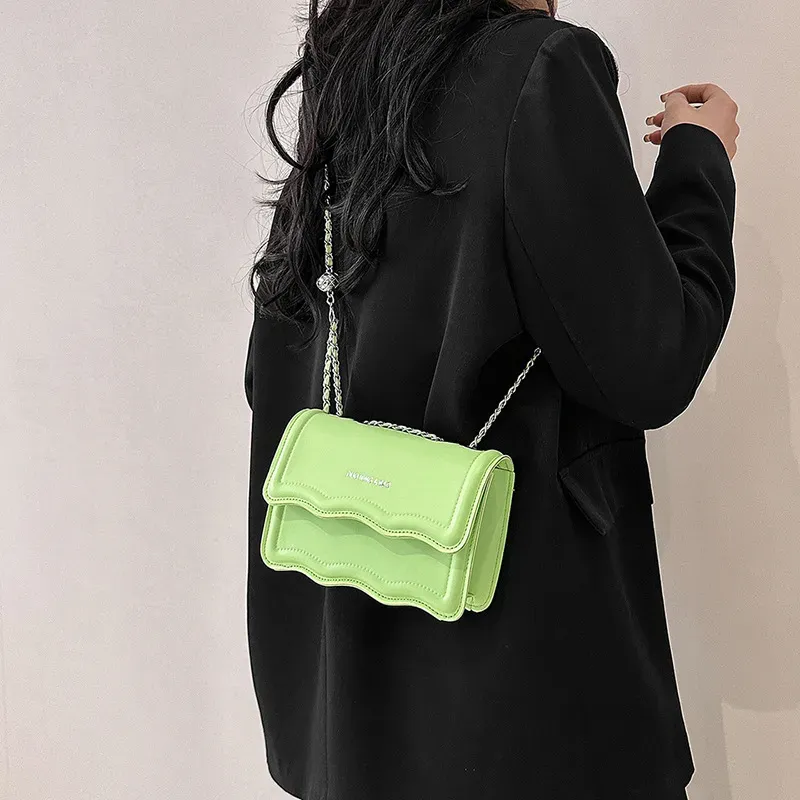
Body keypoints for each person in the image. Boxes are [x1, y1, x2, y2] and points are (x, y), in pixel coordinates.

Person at [243, 1, 739, 798]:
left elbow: (274, 357)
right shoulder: (540, 67)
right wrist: (698, 161)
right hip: (525, 709)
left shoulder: (352, 66)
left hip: (352, 701)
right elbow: (652, 361)